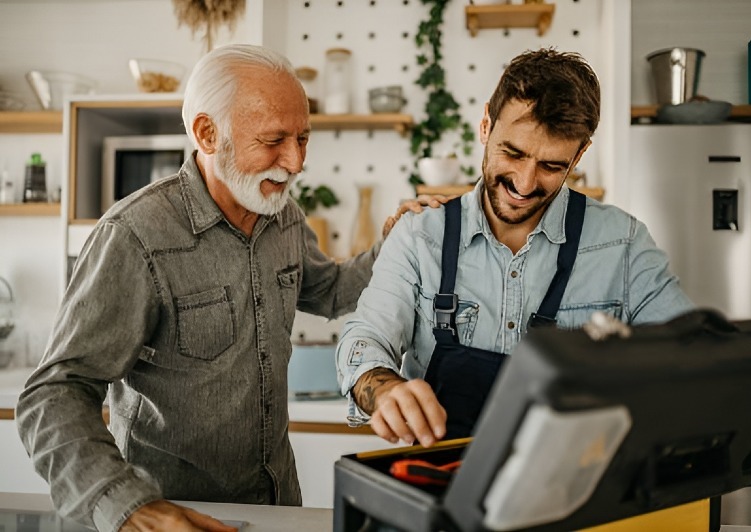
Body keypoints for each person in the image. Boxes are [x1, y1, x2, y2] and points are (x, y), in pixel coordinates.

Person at [15, 44, 438, 532]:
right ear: (207, 133)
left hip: (276, 506)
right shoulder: (134, 236)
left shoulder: (284, 217)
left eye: (303, 138)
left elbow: (330, 290)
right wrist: (128, 507)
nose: (296, 161)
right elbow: (54, 393)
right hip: (172, 514)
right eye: (275, 139)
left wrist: (393, 245)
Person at [336, 48, 697, 448]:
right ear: (486, 125)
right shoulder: (420, 236)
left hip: (574, 492)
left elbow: (687, 353)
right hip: (438, 487)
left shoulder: (623, 244)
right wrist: (384, 388)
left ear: (580, 154)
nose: (525, 184)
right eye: (514, 153)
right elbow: (364, 338)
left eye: (552, 166)